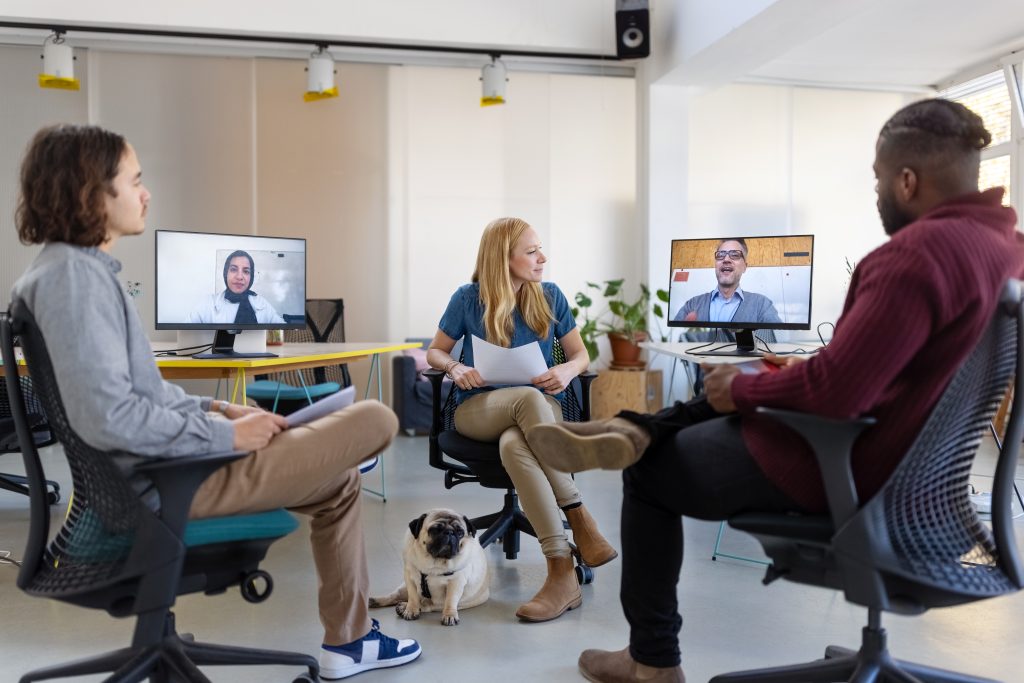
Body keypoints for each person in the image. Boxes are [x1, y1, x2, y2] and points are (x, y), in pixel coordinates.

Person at [528, 98, 1024, 683]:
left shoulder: (916, 255)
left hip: (852, 466)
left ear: (907, 180)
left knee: (652, 468)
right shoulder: (1005, 251)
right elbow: (909, 371)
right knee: (747, 383)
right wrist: (786, 376)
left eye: (877, 181)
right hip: (924, 478)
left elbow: (838, 394)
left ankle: (651, 660)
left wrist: (746, 391)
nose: (877, 194)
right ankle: (632, 426)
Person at [11, 124, 420, 681]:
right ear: (91, 192)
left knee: (340, 483)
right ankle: (335, 460)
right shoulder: (74, 282)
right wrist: (228, 438)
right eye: (134, 181)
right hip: (168, 486)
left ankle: (348, 643)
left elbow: (140, 394)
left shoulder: (67, 273)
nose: (145, 192)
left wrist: (222, 411)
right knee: (374, 416)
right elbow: (110, 417)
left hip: (157, 475)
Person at [426, 216, 617, 622]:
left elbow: (581, 355)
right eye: (531, 251)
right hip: (478, 409)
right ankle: (579, 517)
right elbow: (435, 352)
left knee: (516, 442)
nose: (542, 258)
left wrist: (566, 371)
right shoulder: (467, 298)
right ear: (503, 257)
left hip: (537, 408)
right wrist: (455, 368)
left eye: (539, 249)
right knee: (525, 403)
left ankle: (561, 570)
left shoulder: (549, 296)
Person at [673, 238, 782, 343]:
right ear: (715, 264)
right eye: (721, 255)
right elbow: (676, 340)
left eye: (735, 255)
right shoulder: (693, 304)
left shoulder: (762, 305)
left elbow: (777, 344)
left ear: (745, 266)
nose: (726, 259)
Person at [187, 249, 285, 324]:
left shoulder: (261, 304)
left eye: (246, 271)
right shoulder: (208, 304)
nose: (239, 277)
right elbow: (186, 333)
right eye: (233, 269)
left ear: (251, 277)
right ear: (226, 273)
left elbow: (284, 332)